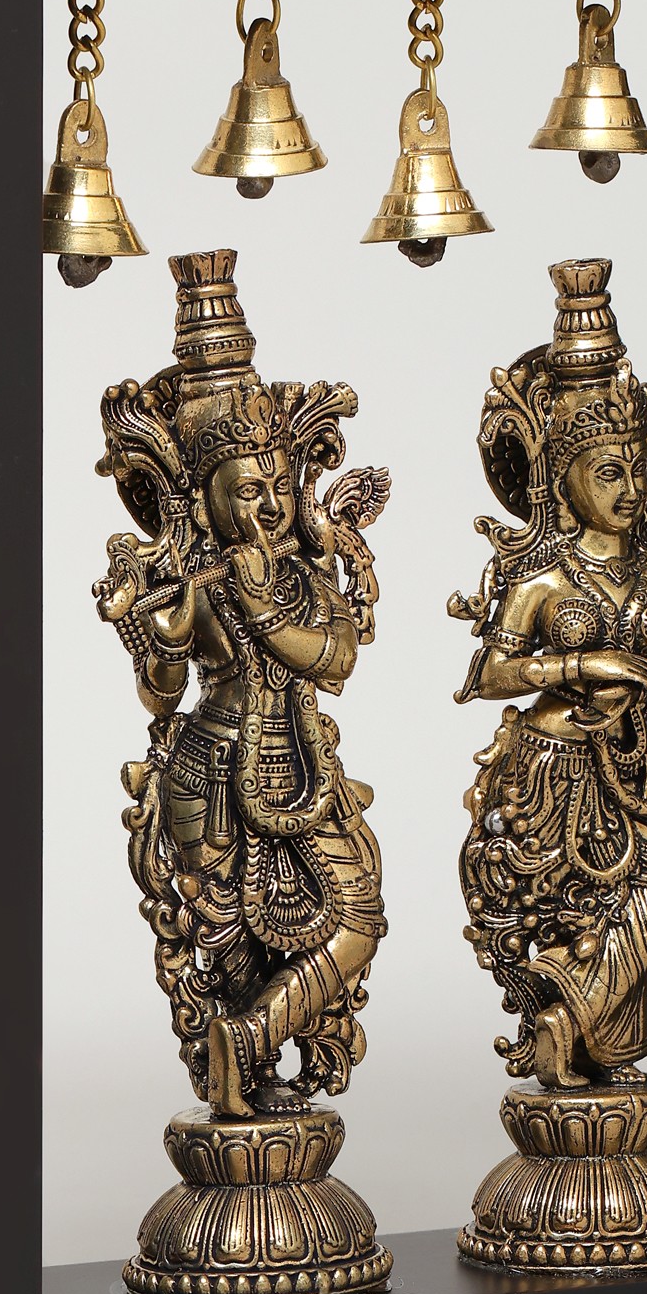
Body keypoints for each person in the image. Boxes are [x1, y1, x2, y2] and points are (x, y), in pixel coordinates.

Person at [94, 251, 389, 1119]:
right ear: (204, 501)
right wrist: (154, 633)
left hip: (303, 766)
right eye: (244, 490)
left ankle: (251, 1038)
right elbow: (162, 692)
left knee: (356, 919)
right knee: (227, 937)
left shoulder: (296, 577)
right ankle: (242, 1075)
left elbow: (336, 660)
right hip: (209, 770)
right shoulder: (197, 583)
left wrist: (264, 611)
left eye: (275, 487)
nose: (265, 506)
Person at [452, 258, 647, 1088]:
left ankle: (574, 1021)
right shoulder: (542, 578)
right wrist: (585, 663)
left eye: (634, 472)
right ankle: (571, 1038)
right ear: (562, 480)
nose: (628, 490)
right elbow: (488, 673)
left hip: (638, 765)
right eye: (607, 473)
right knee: (565, 908)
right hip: (551, 771)